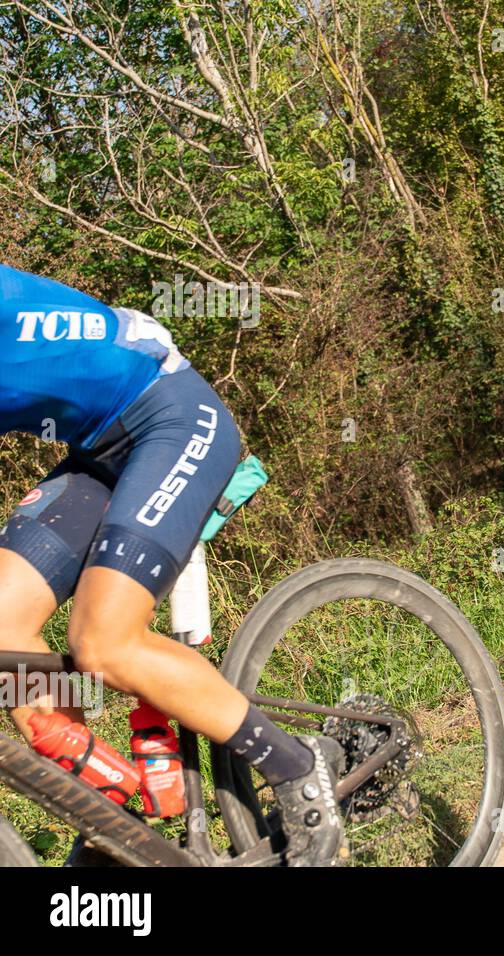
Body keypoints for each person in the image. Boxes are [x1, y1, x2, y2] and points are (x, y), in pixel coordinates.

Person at [0, 263, 343, 866]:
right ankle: (108, 816)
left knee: (101, 644)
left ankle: (297, 765)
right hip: (99, 452)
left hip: (173, 418)